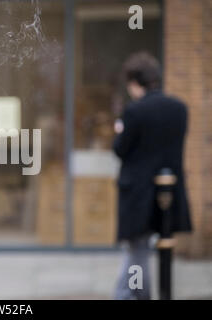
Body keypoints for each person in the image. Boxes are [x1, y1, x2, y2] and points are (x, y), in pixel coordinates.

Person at [113, 52, 192, 300]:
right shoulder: (179, 109)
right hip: (169, 193)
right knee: (143, 250)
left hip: (138, 193)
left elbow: (120, 149)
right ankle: (123, 294)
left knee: (138, 252)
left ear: (135, 83)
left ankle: (139, 295)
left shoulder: (135, 112)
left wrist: (120, 130)